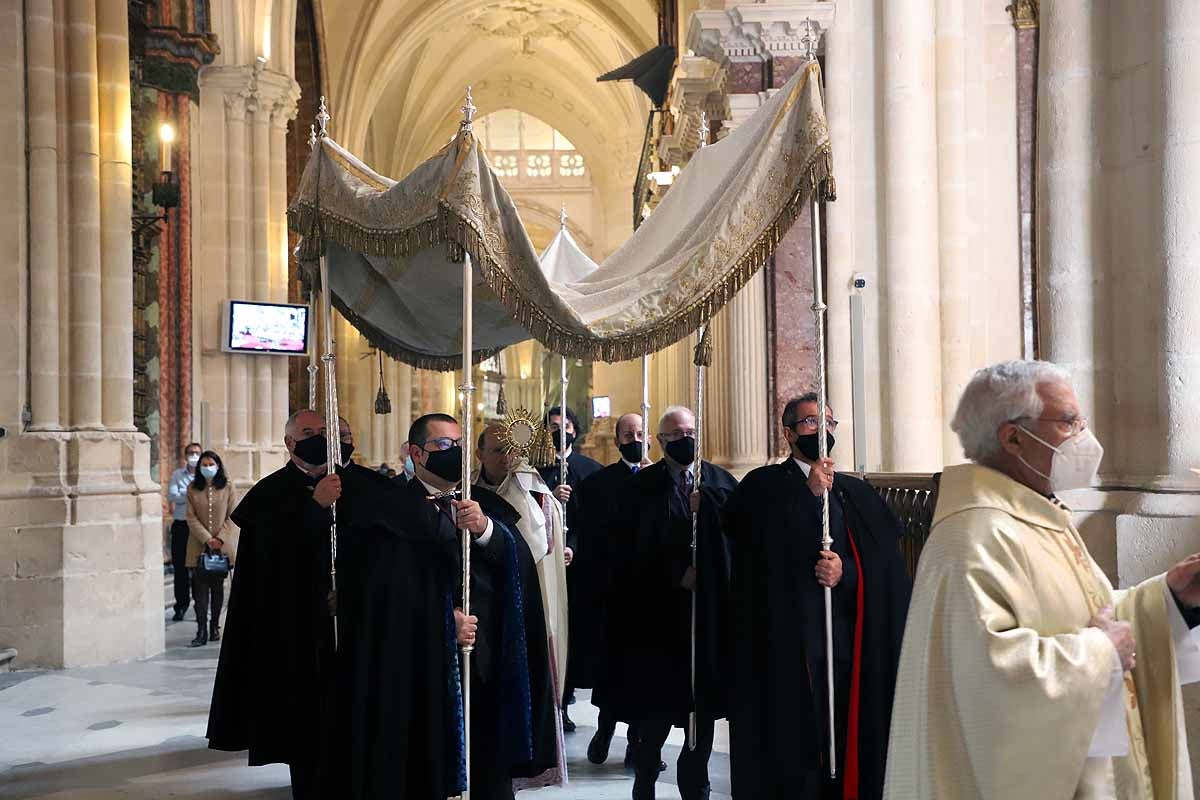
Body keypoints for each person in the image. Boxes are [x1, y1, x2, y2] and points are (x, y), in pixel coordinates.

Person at [885, 360, 1200, 800]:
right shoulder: (973, 536)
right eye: (1069, 422)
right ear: (1013, 436)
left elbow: (1090, 617)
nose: (1085, 438)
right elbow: (990, 679)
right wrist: (1100, 651)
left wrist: (1171, 598)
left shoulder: (1035, 516)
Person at [338, 413, 558, 800]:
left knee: (487, 765)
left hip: (485, 658)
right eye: (443, 446)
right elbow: (383, 594)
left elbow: (519, 566)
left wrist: (486, 530)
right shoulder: (388, 510)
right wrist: (443, 621)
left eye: (459, 444)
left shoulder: (484, 504)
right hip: (419, 667)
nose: (454, 452)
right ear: (416, 454)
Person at [723, 394, 910, 799]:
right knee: (795, 742)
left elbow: (887, 569)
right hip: (786, 642)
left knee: (845, 727)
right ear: (788, 434)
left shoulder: (853, 493)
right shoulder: (762, 486)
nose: (822, 431)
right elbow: (755, 551)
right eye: (809, 423)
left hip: (843, 635)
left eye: (827, 422)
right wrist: (807, 496)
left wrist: (847, 573)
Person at [207, 409, 390, 798]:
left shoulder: (370, 486)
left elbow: (386, 553)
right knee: (308, 738)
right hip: (297, 637)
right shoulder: (269, 494)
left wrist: (357, 589)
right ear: (290, 442)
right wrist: (315, 508)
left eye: (326, 431)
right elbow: (268, 566)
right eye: (309, 432)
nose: (320, 438)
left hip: (359, 630)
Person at [606, 406, 737, 800]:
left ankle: (694, 774)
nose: (686, 440)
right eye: (676, 435)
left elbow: (739, 541)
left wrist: (709, 515)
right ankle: (645, 773)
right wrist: (675, 574)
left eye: (691, 431)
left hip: (704, 617)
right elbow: (626, 550)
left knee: (702, 707)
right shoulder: (640, 488)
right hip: (657, 619)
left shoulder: (720, 482)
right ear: (661, 442)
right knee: (656, 711)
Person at [472, 422, 569, 790]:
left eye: (511, 450)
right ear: (480, 454)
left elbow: (546, 553)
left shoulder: (538, 497)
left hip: (529, 601)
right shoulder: (466, 493)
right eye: (496, 450)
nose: (505, 457)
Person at [582, 412, 655, 767]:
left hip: (653, 593)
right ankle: (604, 729)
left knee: (647, 676)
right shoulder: (600, 483)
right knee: (613, 673)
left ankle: (637, 743)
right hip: (616, 592)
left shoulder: (661, 480)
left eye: (640, 432)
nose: (635, 438)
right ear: (618, 439)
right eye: (628, 434)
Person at [538, 405, 602, 731]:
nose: (558, 430)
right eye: (552, 425)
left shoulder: (590, 470)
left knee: (576, 636)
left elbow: (597, 521)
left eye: (565, 425)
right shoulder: (536, 471)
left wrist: (574, 545)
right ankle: (554, 705)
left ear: (575, 431)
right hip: (547, 566)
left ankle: (569, 696)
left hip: (581, 569)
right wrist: (549, 497)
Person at [185, 450, 239, 648]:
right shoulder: (192, 488)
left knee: (217, 590)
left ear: (218, 466)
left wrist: (220, 539)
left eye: (211, 464)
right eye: (204, 465)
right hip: (198, 546)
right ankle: (201, 630)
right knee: (199, 591)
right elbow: (190, 517)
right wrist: (208, 539)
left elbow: (233, 515)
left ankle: (215, 626)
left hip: (222, 548)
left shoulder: (228, 487)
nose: (208, 468)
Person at [166, 442, 202, 621]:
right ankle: (181, 605)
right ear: (185, 455)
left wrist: (186, 496)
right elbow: (172, 496)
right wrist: (192, 496)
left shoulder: (204, 476)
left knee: (197, 568)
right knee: (180, 567)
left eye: (196, 453)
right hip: (181, 525)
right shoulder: (177, 474)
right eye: (190, 453)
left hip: (198, 527)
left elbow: (205, 499)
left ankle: (200, 605)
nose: (194, 456)